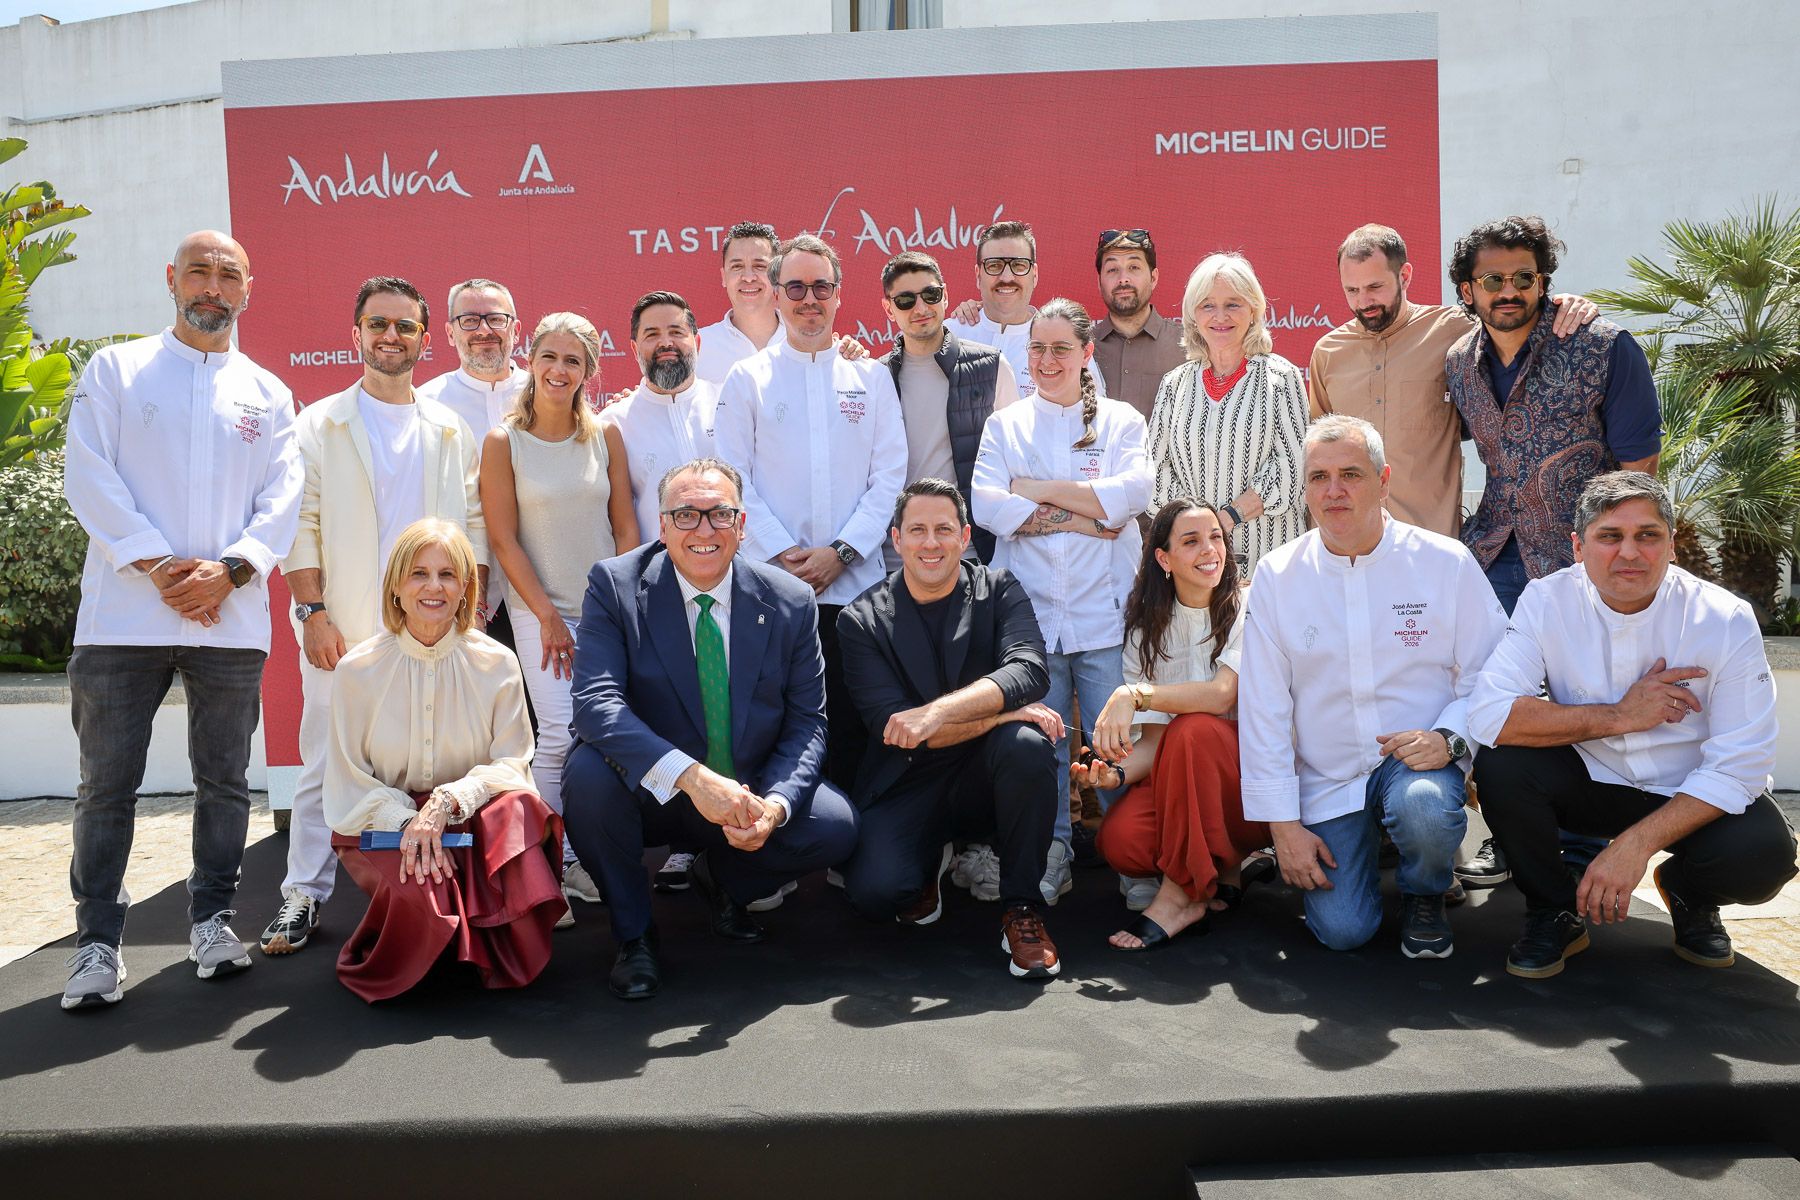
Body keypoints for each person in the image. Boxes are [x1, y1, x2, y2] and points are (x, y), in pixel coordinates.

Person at [59, 231, 302, 1009]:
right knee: (106, 787)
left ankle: (213, 922)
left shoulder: (268, 392)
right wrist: (157, 564)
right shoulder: (116, 369)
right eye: (199, 271)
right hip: (122, 619)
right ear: (172, 278)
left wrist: (231, 570)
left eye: (229, 275)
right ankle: (96, 944)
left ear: (248, 289)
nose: (213, 287)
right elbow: (87, 475)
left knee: (225, 783)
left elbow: (283, 499)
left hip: (228, 617)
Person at [1467, 472, 1796, 979]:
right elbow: (1489, 715)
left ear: (1672, 544)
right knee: (1502, 765)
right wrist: (1621, 715)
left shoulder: (1723, 618)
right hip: (1589, 782)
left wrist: (1634, 847)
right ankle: (1553, 909)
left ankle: (1688, 892)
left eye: (1647, 535)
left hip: (1687, 791)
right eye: (1609, 536)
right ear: (1578, 547)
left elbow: (1742, 764)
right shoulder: (1547, 600)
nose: (1630, 553)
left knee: (1764, 856)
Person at [562, 458, 861, 1001]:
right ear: (662, 526)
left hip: (746, 788)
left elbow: (808, 722)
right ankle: (635, 935)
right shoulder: (615, 585)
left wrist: (774, 807)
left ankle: (721, 881)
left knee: (834, 825)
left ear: (742, 525)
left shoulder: (791, 600)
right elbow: (595, 704)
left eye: (719, 514)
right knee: (586, 777)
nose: (704, 529)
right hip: (656, 786)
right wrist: (691, 777)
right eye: (686, 515)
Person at [267, 276, 487, 957]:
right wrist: (313, 612)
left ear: (425, 337)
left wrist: (471, 615)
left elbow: (474, 528)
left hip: (435, 631)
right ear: (356, 334)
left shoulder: (449, 429)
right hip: (345, 628)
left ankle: (452, 900)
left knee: (441, 760)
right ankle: (303, 894)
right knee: (323, 763)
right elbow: (299, 525)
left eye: (404, 325)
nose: (391, 336)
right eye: (378, 324)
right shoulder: (318, 425)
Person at [1239, 415, 1507, 958]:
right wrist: (1284, 828)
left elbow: (1494, 670)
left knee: (1425, 811)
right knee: (1343, 931)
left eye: (1351, 474)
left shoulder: (1444, 562)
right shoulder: (1278, 575)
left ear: (1384, 481)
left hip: (1417, 762)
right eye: (1319, 477)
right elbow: (1264, 708)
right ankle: (1370, 854)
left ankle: (1426, 891)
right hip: (1329, 774)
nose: (1333, 491)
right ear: (1304, 487)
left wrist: (1451, 738)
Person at [1445, 215, 1661, 887]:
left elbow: (1639, 471)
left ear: (1544, 283)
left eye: (1524, 277)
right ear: (1467, 289)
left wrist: (1619, 558)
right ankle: (1514, 836)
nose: (1508, 291)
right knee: (1497, 705)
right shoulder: (1458, 363)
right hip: (1494, 558)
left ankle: (1579, 846)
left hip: (1577, 563)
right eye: (1492, 280)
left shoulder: (1600, 346)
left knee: (1581, 699)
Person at [325, 520, 565, 1002]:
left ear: (465, 588)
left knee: (520, 807)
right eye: (419, 573)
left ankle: (493, 944)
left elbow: (513, 763)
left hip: (473, 819)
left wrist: (446, 803)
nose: (433, 587)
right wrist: (410, 823)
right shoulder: (356, 670)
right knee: (427, 902)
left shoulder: (498, 663)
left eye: (447, 574)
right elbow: (349, 779)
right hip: (385, 820)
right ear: (396, 585)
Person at [836, 480, 1066, 976]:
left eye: (943, 529)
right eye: (917, 530)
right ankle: (930, 860)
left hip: (987, 769)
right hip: (908, 775)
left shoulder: (999, 588)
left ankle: (1022, 909)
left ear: (964, 537)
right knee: (876, 895)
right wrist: (1001, 713)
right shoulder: (860, 620)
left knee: (1028, 744)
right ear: (896, 540)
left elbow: (1029, 670)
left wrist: (936, 712)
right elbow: (897, 730)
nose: (931, 542)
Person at [972, 297, 1151, 906]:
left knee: (1117, 744)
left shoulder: (1121, 421)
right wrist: (1081, 514)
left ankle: (1133, 859)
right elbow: (987, 506)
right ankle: (1053, 853)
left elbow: (1133, 494)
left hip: (1105, 617)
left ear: (1085, 353)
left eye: (1060, 349)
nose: (1047, 361)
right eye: (1037, 349)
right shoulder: (1006, 425)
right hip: (1031, 622)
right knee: (1042, 750)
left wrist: (1036, 493)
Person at [713, 233, 905, 794]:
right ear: (776, 294)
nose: (809, 299)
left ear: (839, 294)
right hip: (771, 588)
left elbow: (890, 476)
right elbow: (731, 480)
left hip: (858, 589)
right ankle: (775, 836)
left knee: (853, 727)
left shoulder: (870, 378)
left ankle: (851, 834)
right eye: (795, 287)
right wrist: (784, 555)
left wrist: (841, 553)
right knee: (773, 728)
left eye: (821, 286)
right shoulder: (748, 379)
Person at [480, 312, 638, 913]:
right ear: (531, 360)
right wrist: (547, 616)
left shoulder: (606, 435)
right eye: (549, 356)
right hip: (538, 612)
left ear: (588, 371)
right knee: (557, 735)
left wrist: (620, 605)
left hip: (604, 610)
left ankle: (597, 856)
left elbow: (625, 528)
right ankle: (558, 865)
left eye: (573, 360)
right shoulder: (504, 442)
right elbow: (503, 540)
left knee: (607, 733)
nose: (559, 369)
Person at [1309, 224, 1598, 538]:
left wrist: (1565, 305)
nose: (1364, 301)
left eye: (1375, 286)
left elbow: (1515, 319)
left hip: (1431, 545)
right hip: (1346, 545)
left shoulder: (1456, 331)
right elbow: (1317, 454)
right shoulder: (1328, 353)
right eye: (1352, 290)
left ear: (1404, 276)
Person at [1074, 500, 1272, 949]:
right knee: (1121, 842)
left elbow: (1221, 695)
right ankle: (1227, 866)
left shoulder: (1251, 603)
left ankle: (1181, 896)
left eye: (1216, 537)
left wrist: (1134, 694)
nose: (1210, 550)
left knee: (1194, 730)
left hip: (1255, 784)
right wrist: (1114, 774)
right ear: (1164, 559)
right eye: (1192, 541)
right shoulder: (1146, 631)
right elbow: (1156, 741)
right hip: (1191, 780)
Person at [1146, 252, 1308, 579]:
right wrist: (1198, 531)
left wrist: (1227, 518)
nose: (1220, 316)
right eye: (1208, 305)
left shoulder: (1281, 378)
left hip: (1270, 560)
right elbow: (1155, 471)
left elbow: (1292, 470)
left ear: (1254, 310)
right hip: (1195, 564)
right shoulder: (1174, 384)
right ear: (1193, 315)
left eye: (1233, 304)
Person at [878, 250, 1020, 563]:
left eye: (930, 295)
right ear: (889, 308)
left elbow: (1017, 462)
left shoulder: (992, 367)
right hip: (893, 556)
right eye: (905, 300)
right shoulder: (875, 377)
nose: (920, 308)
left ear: (945, 296)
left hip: (970, 552)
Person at [946, 219, 1106, 402]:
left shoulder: (1065, 340)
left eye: (1019, 265)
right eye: (994, 265)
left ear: (1034, 274)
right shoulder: (950, 335)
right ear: (978, 275)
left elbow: (1093, 411)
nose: (1007, 277)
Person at [1090, 228, 1188, 423]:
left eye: (1134, 267)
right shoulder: (1081, 348)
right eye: (1112, 270)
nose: (1123, 279)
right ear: (1099, 282)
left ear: (1153, 278)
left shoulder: (1188, 346)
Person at [415, 277, 528, 443]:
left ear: (516, 331)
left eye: (496, 319)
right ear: (451, 333)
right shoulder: (425, 405)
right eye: (469, 320)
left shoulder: (541, 394)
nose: (484, 330)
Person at [695, 221, 786, 385]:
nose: (748, 277)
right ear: (724, 277)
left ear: (777, 275)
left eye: (760, 266)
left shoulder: (803, 340)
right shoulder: (696, 348)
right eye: (737, 266)